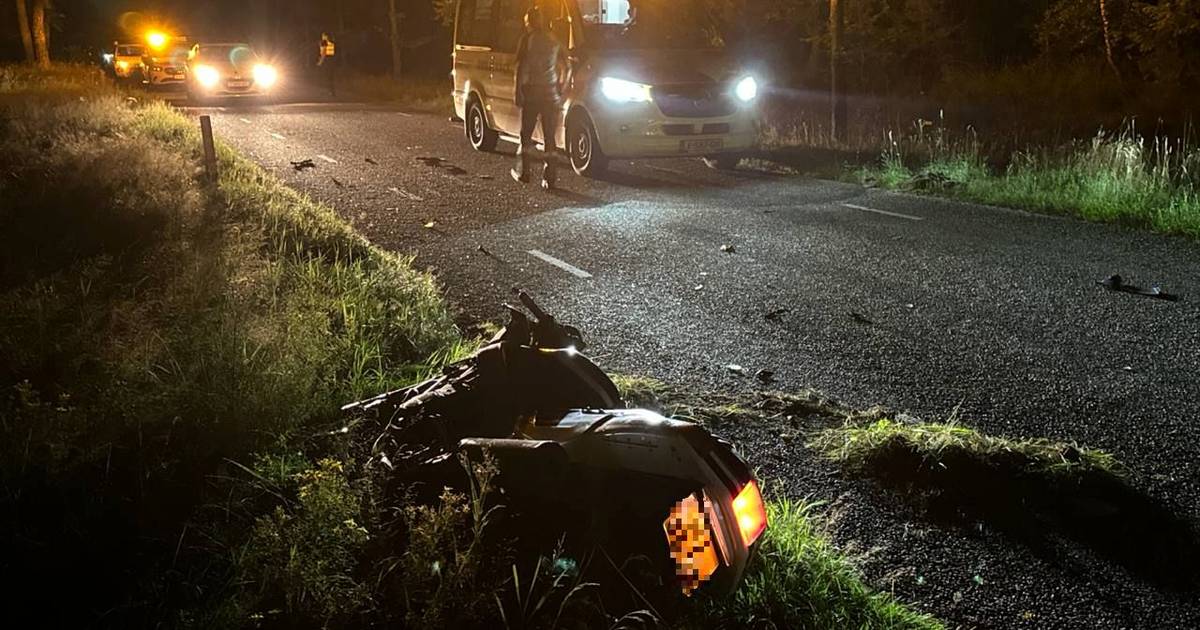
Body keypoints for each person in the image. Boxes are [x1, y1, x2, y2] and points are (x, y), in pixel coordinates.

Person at [512, 6, 566, 190]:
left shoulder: (527, 39)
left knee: (526, 134)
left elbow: (520, 68)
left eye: (527, 22)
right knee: (549, 137)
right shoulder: (554, 39)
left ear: (530, 22)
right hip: (551, 94)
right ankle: (550, 178)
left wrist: (517, 91)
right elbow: (567, 65)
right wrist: (561, 86)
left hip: (532, 92)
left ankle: (524, 172)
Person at [318, 32, 337, 97]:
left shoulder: (324, 42)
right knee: (330, 77)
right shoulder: (332, 42)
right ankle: (332, 91)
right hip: (332, 60)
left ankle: (328, 91)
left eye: (323, 36)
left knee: (325, 76)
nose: (322, 37)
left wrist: (320, 62)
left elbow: (324, 52)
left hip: (326, 61)